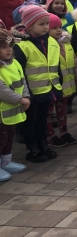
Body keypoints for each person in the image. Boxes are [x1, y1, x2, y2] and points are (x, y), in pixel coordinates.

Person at [13, 6, 60, 162]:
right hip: (31, 93)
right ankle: (31, 147)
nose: (46, 27)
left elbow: (55, 66)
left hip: (47, 90)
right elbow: (19, 72)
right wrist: (26, 94)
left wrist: (57, 86)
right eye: (41, 24)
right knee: (29, 122)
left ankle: (42, 143)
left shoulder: (51, 41)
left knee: (42, 120)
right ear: (29, 25)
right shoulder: (21, 46)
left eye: (47, 23)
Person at [0, 28, 29, 181]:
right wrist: (20, 99)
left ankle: (6, 162)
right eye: (3, 47)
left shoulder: (14, 63)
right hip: (2, 111)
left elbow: (22, 80)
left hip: (11, 110)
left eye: (9, 46)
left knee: (8, 137)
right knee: (1, 138)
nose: (8, 50)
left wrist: (26, 95)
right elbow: (2, 90)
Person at [46, 15, 77, 147]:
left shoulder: (66, 43)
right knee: (49, 112)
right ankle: (50, 135)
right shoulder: (46, 46)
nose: (58, 30)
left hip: (66, 85)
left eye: (59, 27)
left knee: (62, 110)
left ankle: (63, 132)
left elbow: (73, 62)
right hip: (52, 86)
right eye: (54, 28)